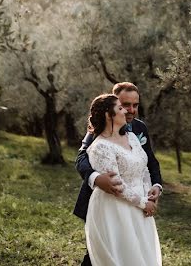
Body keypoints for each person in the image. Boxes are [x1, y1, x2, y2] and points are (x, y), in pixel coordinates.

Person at [74, 83, 163, 266]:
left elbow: (149, 161)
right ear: (111, 106)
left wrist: (155, 187)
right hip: (109, 201)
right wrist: (96, 178)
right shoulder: (100, 131)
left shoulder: (138, 129)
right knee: (103, 254)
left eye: (135, 105)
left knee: (134, 252)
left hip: (137, 203)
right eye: (125, 105)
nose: (131, 110)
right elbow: (82, 156)